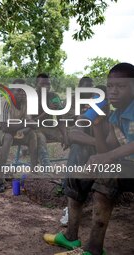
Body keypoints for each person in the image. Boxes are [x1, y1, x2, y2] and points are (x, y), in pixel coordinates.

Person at [44, 63, 134, 255]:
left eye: (121, 86)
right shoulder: (116, 115)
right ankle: (70, 237)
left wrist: (107, 157)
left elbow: (112, 153)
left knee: (106, 177)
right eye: (110, 86)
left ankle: (93, 249)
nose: (113, 92)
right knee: (76, 176)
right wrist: (97, 123)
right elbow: (106, 147)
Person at [0, 79, 38, 192]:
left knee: (32, 134)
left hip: (11, 131)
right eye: (18, 91)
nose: (22, 93)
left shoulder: (25, 103)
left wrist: (24, 130)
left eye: (24, 91)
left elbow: (31, 124)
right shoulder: (5, 102)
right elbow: (5, 127)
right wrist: (25, 124)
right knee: (8, 136)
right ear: (11, 92)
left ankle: (34, 173)